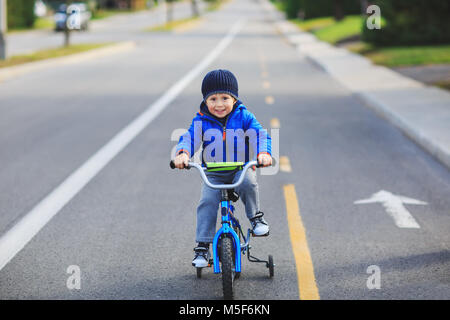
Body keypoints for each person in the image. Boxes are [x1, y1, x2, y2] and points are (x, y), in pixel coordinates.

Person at [173, 69, 273, 268]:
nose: (219, 104)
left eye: (225, 98)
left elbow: (260, 135)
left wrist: (264, 153)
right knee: (207, 203)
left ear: (234, 99)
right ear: (205, 100)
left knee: (249, 183)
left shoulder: (244, 116)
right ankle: (202, 246)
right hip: (213, 174)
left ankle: (255, 218)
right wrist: (183, 153)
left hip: (240, 169)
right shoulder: (201, 120)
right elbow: (190, 138)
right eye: (213, 99)